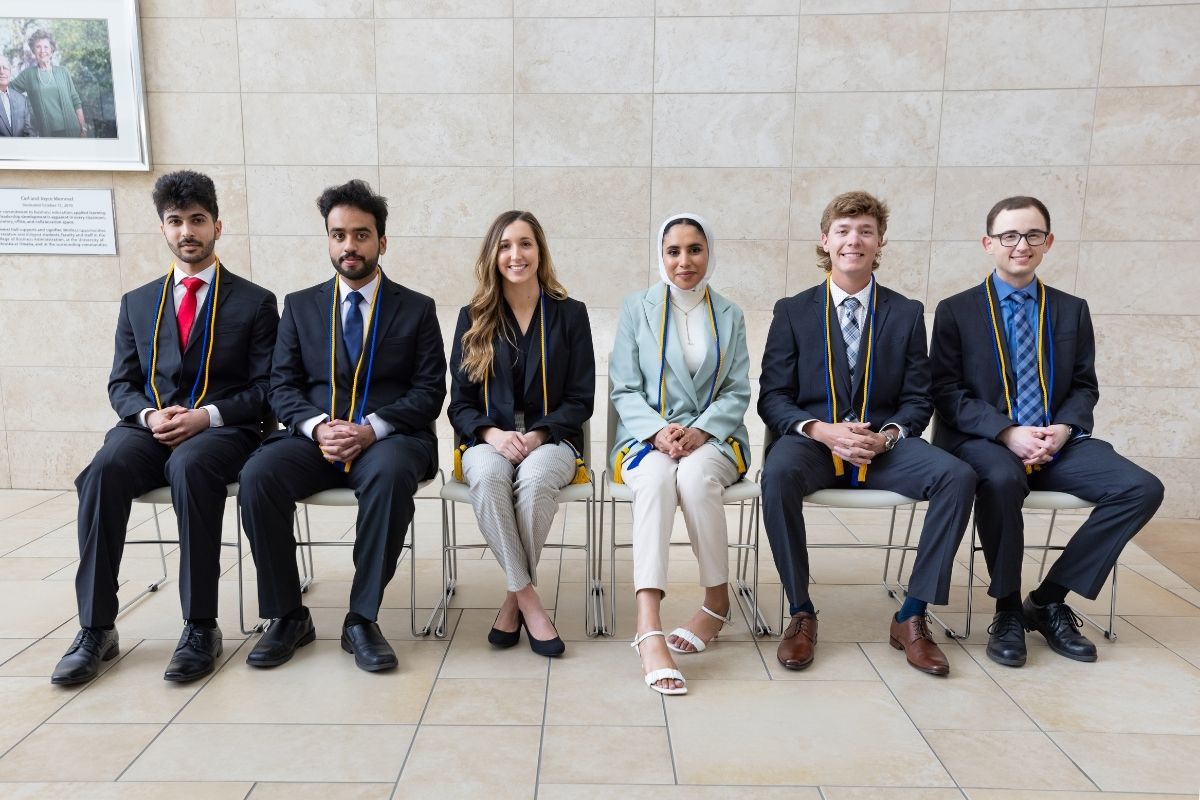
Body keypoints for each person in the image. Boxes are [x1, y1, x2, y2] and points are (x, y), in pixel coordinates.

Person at [52, 171, 278, 686]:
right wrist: (150, 415)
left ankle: (200, 626)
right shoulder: (137, 301)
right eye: (175, 222)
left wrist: (207, 417)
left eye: (197, 220)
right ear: (162, 229)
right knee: (102, 471)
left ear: (218, 226)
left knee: (191, 466)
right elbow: (121, 384)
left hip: (222, 429)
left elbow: (267, 389)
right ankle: (96, 627)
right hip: (150, 424)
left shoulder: (255, 301)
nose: (186, 231)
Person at [930, 195, 1164, 667]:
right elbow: (947, 392)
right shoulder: (956, 310)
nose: (1022, 245)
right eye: (1010, 235)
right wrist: (1007, 432)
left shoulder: (1071, 309)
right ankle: (1009, 608)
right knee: (1000, 479)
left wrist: (1064, 428)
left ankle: (1049, 598)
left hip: (1056, 441)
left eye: (1033, 234)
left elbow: (1083, 385)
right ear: (988, 243)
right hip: (985, 443)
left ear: (1048, 242)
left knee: (1141, 488)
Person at [759, 190, 976, 677]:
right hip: (814, 443)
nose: (854, 240)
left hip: (883, 448)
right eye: (843, 230)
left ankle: (912, 614)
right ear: (825, 240)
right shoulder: (792, 311)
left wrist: (889, 436)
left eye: (865, 231)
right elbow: (772, 396)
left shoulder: (904, 311)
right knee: (777, 474)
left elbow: (919, 398)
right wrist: (822, 430)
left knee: (957, 476)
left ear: (880, 242)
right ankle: (800, 611)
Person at [239, 179, 445, 673]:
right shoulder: (301, 305)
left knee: (392, 475)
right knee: (258, 476)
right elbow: (280, 385)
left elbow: (430, 391)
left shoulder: (416, 309)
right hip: (315, 438)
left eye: (360, 234)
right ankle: (287, 615)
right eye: (338, 235)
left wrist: (371, 429)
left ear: (382, 241)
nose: (348, 246)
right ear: (328, 239)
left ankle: (361, 619)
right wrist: (315, 427)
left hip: (389, 440)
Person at [610, 213, 752, 696]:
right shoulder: (638, 308)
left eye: (695, 249)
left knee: (693, 479)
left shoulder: (729, 314)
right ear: (661, 255)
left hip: (714, 439)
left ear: (710, 253)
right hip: (648, 437)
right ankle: (648, 625)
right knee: (653, 480)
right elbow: (624, 388)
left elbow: (736, 391)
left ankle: (716, 601)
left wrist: (700, 430)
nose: (684, 261)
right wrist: (657, 433)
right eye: (674, 251)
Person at [448, 210, 594, 658]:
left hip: (552, 440)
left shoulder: (570, 315)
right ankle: (530, 600)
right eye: (506, 245)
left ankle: (513, 600)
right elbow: (459, 404)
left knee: (532, 481)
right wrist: (492, 434)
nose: (516, 254)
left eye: (525, 244)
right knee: (490, 477)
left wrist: (537, 436)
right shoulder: (473, 316)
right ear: (493, 255)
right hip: (486, 439)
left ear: (540, 251)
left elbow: (581, 397)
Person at [9, 29, 87, 138]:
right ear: (33, 50)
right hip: (47, 134)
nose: (42, 50)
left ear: (51, 50)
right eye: (38, 47)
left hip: (73, 130)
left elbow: (76, 100)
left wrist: (83, 128)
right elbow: (7, 90)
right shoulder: (28, 75)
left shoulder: (63, 71)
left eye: (46, 47)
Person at [0, 63, 37, 137]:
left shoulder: (22, 99)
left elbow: (28, 131)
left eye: (5, 68)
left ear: (10, 72)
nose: (1, 71)